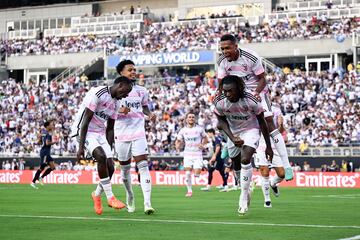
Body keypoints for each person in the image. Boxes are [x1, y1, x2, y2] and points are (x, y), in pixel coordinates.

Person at [218, 34, 293, 181]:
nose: (225, 51)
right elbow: (221, 82)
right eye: (222, 49)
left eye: (227, 48)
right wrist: (219, 96)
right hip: (238, 93)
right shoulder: (222, 61)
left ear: (235, 46)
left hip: (257, 91)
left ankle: (287, 165)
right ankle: (227, 143)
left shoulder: (251, 57)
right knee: (225, 116)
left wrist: (257, 93)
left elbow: (262, 79)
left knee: (269, 121)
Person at [70, 76, 133, 215]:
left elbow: (110, 128)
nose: (126, 95)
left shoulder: (117, 103)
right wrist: (81, 147)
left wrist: (109, 148)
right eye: (126, 91)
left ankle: (97, 194)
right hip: (83, 130)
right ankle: (110, 197)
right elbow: (85, 120)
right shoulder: (98, 93)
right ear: (120, 85)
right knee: (100, 156)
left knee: (110, 166)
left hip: (99, 133)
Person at [214, 75, 273, 215]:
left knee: (245, 159)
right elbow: (220, 122)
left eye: (231, 91)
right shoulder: (220, 101)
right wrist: (233, 138)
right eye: (225, 91)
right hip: (233, 132)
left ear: (239, 88)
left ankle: (243, 197)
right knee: (236, 163)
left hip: (251, 130)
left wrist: (269, 146)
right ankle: (244, 186)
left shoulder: (252, 100)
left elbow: (263, 123)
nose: (227, 94)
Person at [114, 60, 156, 215]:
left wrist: (150, 114)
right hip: (121, 135)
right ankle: (130, 195)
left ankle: (147, 203)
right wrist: (119, 111)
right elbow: (107, 110)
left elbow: (144, 107)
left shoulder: (142, 90)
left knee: (143, 166)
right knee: (125, 171)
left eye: (134, 69)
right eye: (130, 70)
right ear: (121, 73)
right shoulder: (113, 91)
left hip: (138, 133)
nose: (133, 72)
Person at [254, 104, 285, 208]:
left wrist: (281, 125)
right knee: (264, 171)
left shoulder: (276, 110)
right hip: (260, 144)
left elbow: (280, 132)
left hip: (274, 144)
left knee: (282, 174)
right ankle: (267, 200)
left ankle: (273, 183)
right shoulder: (253, 107)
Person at [175, 112, 208, 197]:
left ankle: (202, 165)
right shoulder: (183, 130)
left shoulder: (200, 129)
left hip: (197, 154)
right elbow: (178, 140)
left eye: (193, 117)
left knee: (196, 175)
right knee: (188, 173)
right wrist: (177, 146)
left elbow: (205, 138)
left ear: (195, 119)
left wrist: (203, 144)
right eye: (189, 117)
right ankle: (189, 191)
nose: (191, 118)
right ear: (186, 119)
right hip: (187, 154)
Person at [30, 120, 57, 189]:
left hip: (45, 152)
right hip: (45, 152)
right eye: (51, 125)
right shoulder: (47, 134)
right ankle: (33, 182)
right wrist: (54, 142)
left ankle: (40, 178)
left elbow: (39, 142)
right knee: (42, 167)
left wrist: (39, 138)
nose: (52, 126)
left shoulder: (43, 133)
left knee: (53, 167)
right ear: (47, 126)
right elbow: (47, 143)